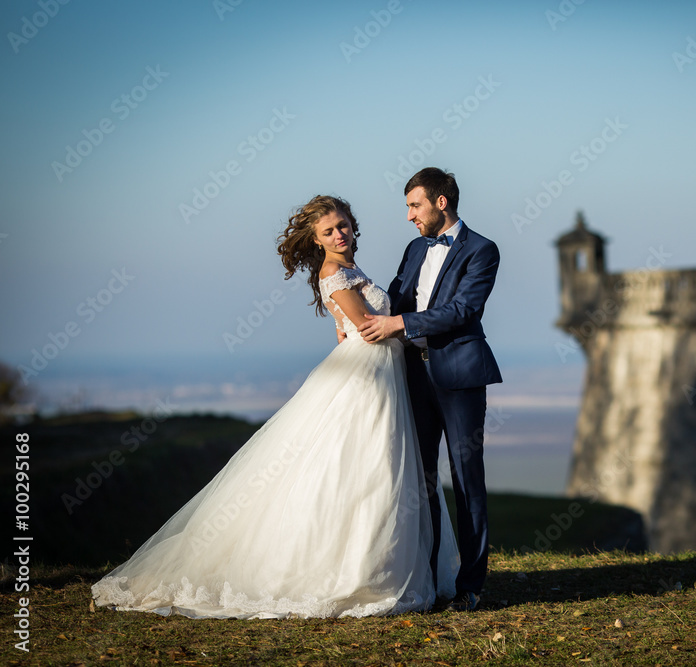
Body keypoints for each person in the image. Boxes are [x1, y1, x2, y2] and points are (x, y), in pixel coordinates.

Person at [90, 195, 459, 619]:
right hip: (365, 377)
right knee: (359, 465)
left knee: (380, 468)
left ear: (353, 226)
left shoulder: (350, 269)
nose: (339, 234)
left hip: (377, 374)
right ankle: (346, 572)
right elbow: (368, 329)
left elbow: (347, 327)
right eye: (328, 231)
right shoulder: (334, 271)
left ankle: (382, 565)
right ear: (317, 240)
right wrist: (425, 333)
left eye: (342, 225)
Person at [358, 168, 502, 612]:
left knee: (465, 479)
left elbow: (462, 310)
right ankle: (430, 579)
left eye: (414, 205)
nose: (408, 216)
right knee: (419, 482)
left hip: (459, 378)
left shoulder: (482, 250)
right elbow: (397, 299)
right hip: (411, 378)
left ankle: (471, 585)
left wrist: (399, 324)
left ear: (442, 202)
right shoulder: (414, 247)